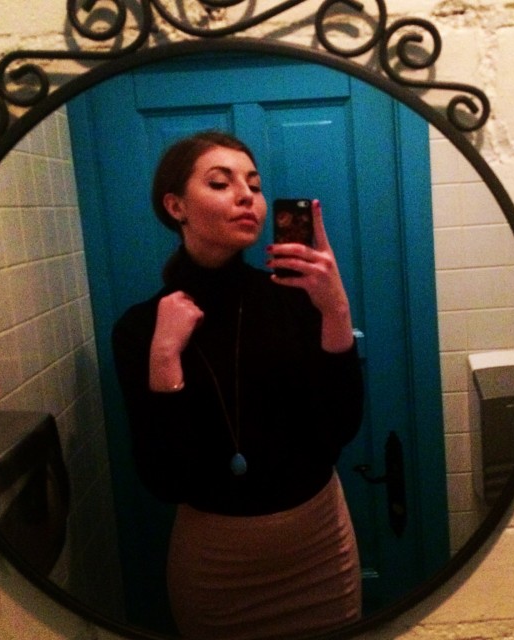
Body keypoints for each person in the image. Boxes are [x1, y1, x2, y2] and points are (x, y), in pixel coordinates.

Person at [111, 131, 364, 640]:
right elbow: (165, 480)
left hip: (321, 551)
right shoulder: (141, 328)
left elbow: (340, 429)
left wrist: (336, 310)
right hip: (216, 569)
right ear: (176, 206)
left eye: (254, 184)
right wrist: (164, 356)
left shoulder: (295, 299)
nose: (247, 196)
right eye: (220, 183)